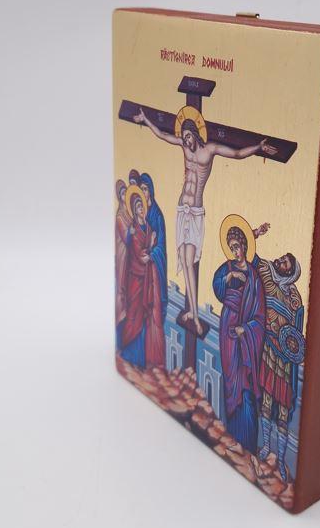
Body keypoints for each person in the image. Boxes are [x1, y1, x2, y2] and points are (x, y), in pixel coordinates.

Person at [134, 105, 276, 336]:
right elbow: (162, 135)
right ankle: (192, 311)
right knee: (183, 259)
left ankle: (195, 314)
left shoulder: (209, 150)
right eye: (184, 138)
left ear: (196, 134)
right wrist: (146, 119)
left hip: (195, 212)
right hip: (182, 208)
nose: (186, 141)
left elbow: (236, 154)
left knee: (189, 261)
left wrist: (258, 147)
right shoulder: (184, 146)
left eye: (189, 137)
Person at [252, 223, 304, 482]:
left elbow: (297, 330)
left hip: (285, 359)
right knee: (266, 402)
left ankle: (281, 461)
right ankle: (265, 447)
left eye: (285, 262)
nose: (280, 261)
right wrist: (253, 235)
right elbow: (248, 255)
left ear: (290, 272)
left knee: (283, 411)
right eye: (282, 258)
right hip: (268, 349)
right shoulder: (266, 272)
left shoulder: (294, 297)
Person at [212, 223, 265, 455]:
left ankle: (248, 444)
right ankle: (233, 436)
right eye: (231, 247)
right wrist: (229, 277)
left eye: (237, 246)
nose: (235, 251)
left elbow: (260, 317)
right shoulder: (227, 267)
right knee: (231, 380)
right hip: (228, 331)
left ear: (244, 245)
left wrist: (246, 329)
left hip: (245, 336)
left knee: (245, 385)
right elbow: (217, 286)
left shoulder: (254, 277)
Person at [119, 181, 167, 368]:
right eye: (138, 206)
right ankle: (130, 355)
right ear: (134, 209)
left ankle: (141, 359)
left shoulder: (147, 225)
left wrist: (152, 243)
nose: (141, 208)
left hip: (146, 279)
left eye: (142, 206)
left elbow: (148, 253)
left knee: (144, 318)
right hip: (136, 280)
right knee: (134, 317)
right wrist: (152, 244)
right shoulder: (134, 231)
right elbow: (141, 257)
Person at [114, 179, 130, 336]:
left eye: (126, 191)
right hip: (123, 256)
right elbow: (127, 237)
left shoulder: (128, 212)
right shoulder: (120, 216)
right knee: (122, 288)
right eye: (123, 193)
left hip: (130, 256)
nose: (125, 195)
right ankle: (120, 318)